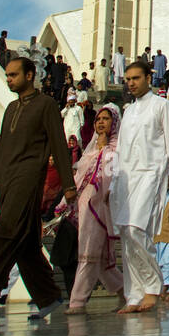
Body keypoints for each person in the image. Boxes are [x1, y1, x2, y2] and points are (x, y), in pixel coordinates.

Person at [0, 57, 75, 324]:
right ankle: (48, 296)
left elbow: (59, 145)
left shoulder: (46, 105)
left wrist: (68, 184)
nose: (9, 79)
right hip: (6, 182)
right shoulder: (12, 108)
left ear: (30, 75)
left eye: (14, 74)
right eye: (7, 75)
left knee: (3, 237)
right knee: (25, 246)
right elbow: (0, 150)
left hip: (27, 182)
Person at [112, 60, 169, 313]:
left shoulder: (162, 106)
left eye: (136, 78)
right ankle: (133, 294)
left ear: (148, 78)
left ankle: (154, 286)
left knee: (136, 230)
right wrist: (114, 179)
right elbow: (120, 148)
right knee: (125, 231)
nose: (131, 83)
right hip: (127, 177)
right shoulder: (129, 110)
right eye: (128, 79)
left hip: (150, 174)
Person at [67, 104, 124, 314]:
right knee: (99, 260)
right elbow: (80, 176)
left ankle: (77, 302)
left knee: (88, 252)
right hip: (85, 204)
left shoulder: (117, 149)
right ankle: (125, 291)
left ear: (114, 123)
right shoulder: (91, 149)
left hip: (101, 206)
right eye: (98, 119)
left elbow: (113, 175)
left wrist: (104, 149)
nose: (101, 122)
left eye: (106, 119)